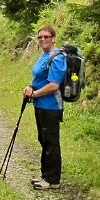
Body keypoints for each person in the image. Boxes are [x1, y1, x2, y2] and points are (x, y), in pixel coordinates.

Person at [22, 24, 66, 190]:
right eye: (40, 37)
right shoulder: (44, 55)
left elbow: (53, 86)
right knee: (44, 140)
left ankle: (53, 180)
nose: (43, 39)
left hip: (51, 106)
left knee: (51, 141)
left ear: (53, 38)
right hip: (41, 104)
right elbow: (39, 79)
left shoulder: (57, 58)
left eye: (46, 36)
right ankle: (45, 175)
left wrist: (33, 94)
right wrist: (30, 88)